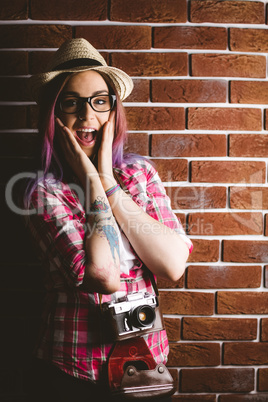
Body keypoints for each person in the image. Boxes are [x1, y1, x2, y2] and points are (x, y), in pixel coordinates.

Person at [23, 38, 193, 401]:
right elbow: (103, 276)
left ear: (114, 110)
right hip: (73, 370)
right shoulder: (42, 192)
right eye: (72, 103)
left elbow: (173, 264)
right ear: (53, 113)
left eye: (99, 101)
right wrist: (90, 181)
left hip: (146, 367)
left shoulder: (138, 176)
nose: (87, 118)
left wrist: (109, 183)